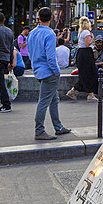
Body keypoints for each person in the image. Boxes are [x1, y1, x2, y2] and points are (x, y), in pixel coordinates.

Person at [27, 7, 70, 141]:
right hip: (49, 72)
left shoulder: (32, 33)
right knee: (44, 102)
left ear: (38, 18)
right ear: (51, 18)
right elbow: (51, 57)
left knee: (53, 99)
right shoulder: (50, 34)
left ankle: (58, 126)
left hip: (38, 71)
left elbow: (30, 52)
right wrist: (56, 71)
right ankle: (39, 130)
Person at [67, 16, 97, 101]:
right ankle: (90, 94)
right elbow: (87, 44)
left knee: (84, 74)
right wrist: (93, 39)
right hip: (86, 53)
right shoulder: (87, 32)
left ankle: (74, 91)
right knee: (90, 73)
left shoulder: (81, 32)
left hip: (81, 53)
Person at [0, 11, 15, 112]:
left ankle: (6, 104)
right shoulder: (9, 31)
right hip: (5, 58)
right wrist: (11, 61)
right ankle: (5, 103)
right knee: (0, 81)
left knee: (0, 82)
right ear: (4, 20)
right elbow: (11, 48)